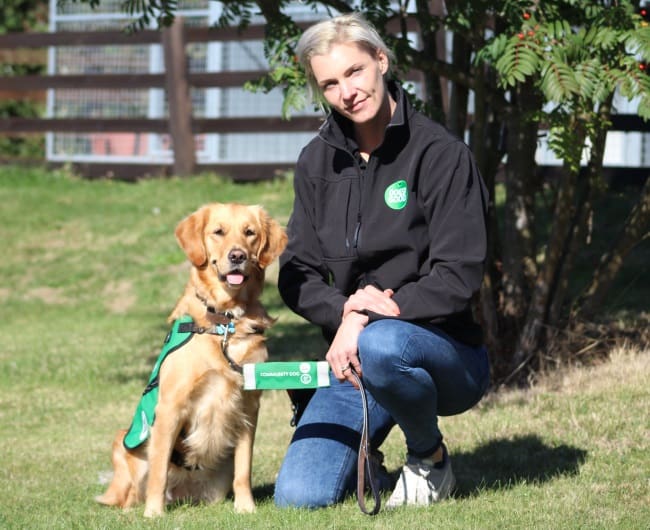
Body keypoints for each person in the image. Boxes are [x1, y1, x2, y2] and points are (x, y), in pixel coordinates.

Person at [273, 12, 490, 509]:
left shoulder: (441, 154)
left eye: (354, 72)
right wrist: (344, 311)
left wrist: (367, 315)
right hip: (353, 361)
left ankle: (429, 458)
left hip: (440, 353)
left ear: (381, 61)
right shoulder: (314, 161)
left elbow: (459, 276)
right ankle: (365, 452)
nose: (347, 91)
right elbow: (296, 273)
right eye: (330, 83)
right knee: (298, 497)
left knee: (385, 344)